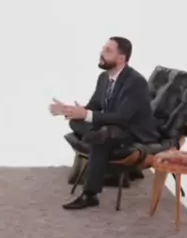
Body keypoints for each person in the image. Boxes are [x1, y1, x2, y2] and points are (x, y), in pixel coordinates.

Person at [49, 37, 159, 210]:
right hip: (111, 127)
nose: (101, 53)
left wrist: (87, 115)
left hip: (132, 130)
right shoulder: (104, 77)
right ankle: (97, 137)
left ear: (121, 58)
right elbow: (93, 107)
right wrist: (71, 111)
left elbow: (122, 117)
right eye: (103, 49)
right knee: (76, 123)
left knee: (100, 137)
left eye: (108, 51)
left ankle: (90, 195)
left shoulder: (135, 82)